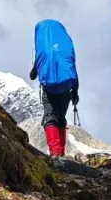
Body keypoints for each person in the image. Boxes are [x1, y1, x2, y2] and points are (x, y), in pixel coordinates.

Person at [29, 18, 79, 157]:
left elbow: (32, 76)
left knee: (50, 118)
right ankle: (61, 154)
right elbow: (73, 71)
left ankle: (55, 154)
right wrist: (75, 94)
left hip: (49, 90)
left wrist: (37, 62)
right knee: (61, 118)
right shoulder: (64, 51)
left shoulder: (44, 53)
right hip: (66, 90)